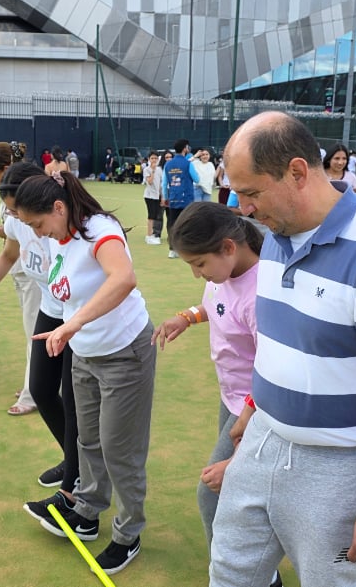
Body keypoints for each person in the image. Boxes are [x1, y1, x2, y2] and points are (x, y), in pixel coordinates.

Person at [211, 111, 356, 587]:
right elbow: (280, 343)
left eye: (251, 192)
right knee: (230, 571)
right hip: (261, 442)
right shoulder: (274, 235)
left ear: (297, 172)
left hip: (342, 465)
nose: (242, 208)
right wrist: (254, 415)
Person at [14, 171, 156, 576]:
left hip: (124, 351)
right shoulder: (58, 236)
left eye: (37, 223)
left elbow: (124, 278)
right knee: (87, 438)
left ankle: (129, 533)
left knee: (119, 448)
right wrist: (67, 329)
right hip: (85, 353)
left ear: (58, 208)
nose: (36, 232)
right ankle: (88, 512)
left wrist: (72, 325)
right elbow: (65, 291)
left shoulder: (99, 230)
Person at [151, 202, 262, 549]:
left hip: (257, 409)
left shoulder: (261, 294)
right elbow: (217, 306)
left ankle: (239, 574)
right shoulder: (224, 274)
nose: (196, 274)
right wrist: (187, 316)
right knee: (239, 487)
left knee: (212, 492)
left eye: (199, 264)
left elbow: (275, 369)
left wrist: (245, 429)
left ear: (229, 247)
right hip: (230, 399)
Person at [0, 161, 81, 502]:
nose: (13, 218)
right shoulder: (19, 223)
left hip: (75, 317)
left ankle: (79, 473)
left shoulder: (60, 226)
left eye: (16, 210)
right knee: (41, 388)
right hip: (50, 312)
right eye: (9, 211)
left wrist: (75, 324)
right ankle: (74, 462)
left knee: (75, 399)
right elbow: (9, 255)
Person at [0, 141, 41, 415]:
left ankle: (33, 393)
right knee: (35, 334)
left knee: (36, 336)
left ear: (5, 169)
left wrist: (9, 231)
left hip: (38, 277)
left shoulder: (27, 196)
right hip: (22, 270)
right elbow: (10, 250)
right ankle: (37, 383)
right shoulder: (11, 195)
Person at [162, 138, 200, 258]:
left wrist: (166, 197)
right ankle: (186, 248)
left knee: (173, 223)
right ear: (185, 148)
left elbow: (164, 184)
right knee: (187, 223)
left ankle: (172, 249)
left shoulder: (168, 164)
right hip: (186, 198)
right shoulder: (188, 163)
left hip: (173, 197)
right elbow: (197, 179)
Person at [142, 151, 163, 245]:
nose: (154, 160)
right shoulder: (146, 170)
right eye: (152, 158)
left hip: (157, 196)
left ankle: (153, 234)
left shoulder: (160, 169)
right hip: (149, 196)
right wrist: (153, 170)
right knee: (151, 216)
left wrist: (161, 195)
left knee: (156, 215)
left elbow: (161, 183)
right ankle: (149, 236)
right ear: (149, 159)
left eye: (155, 158)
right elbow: (149, 182)